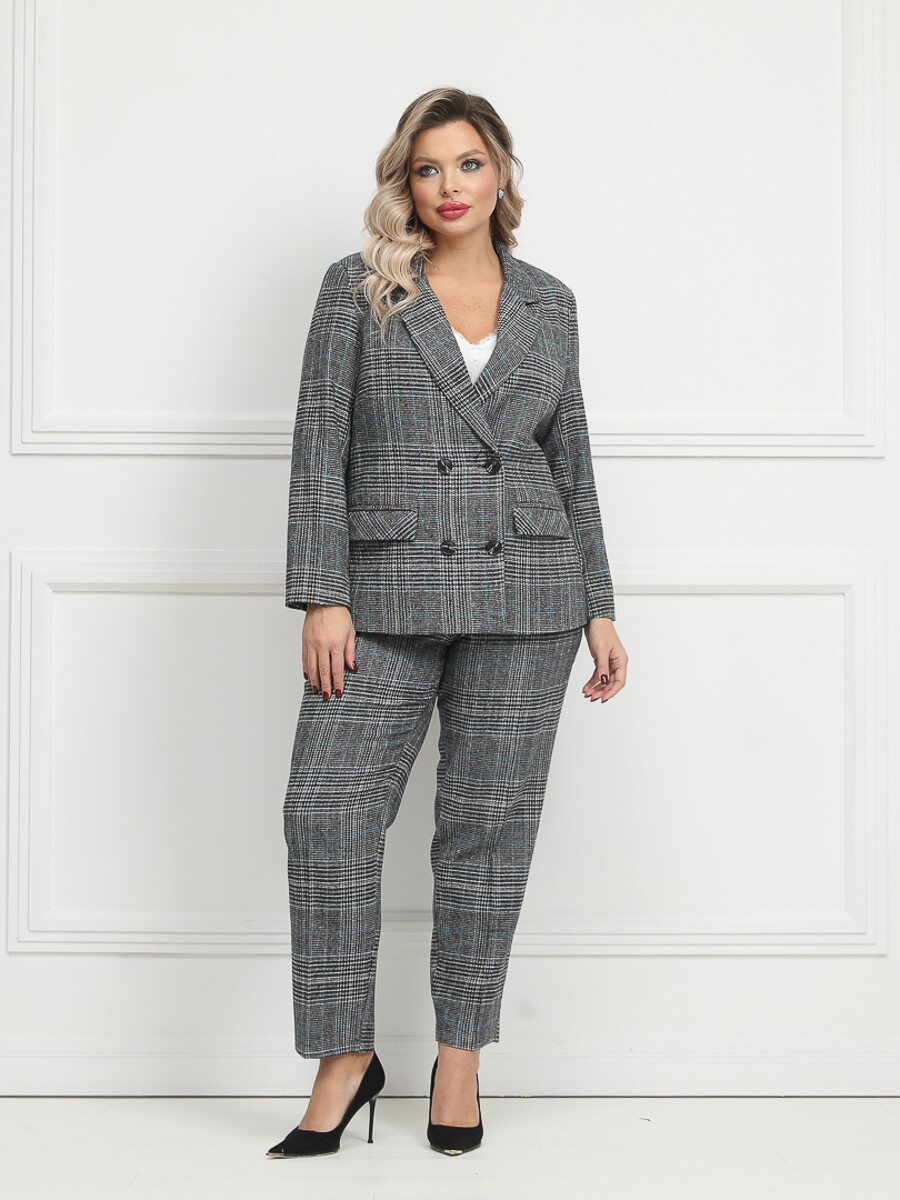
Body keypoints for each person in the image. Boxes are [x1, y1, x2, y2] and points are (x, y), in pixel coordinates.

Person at [267, 87, 628, 1160]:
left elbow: (571, 462)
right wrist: (322, 593)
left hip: (529, 593)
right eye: (428, 168)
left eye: (468, 164)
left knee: (487, 829)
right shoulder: (359, 289)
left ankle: (460, 1057)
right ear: (405, 183)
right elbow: (316, 448)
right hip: (382, 593)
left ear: (500, 171)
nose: (449, 186)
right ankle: (345, 1057)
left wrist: (599, 606)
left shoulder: (550, 302)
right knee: (325, 811)